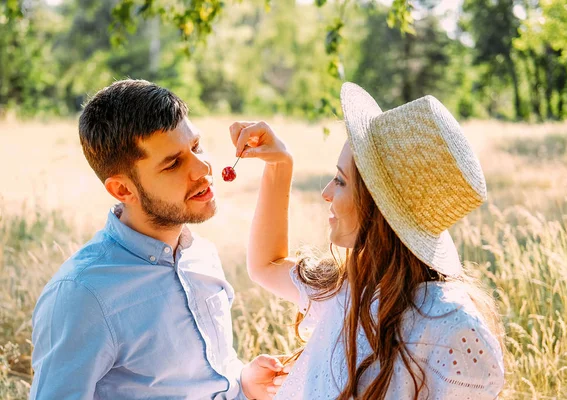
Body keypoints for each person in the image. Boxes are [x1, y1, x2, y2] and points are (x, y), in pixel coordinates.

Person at [229, 82, 505, 399]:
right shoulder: (349, 286)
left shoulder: (454, 329)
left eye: (341, 181)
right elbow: (266, 264)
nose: (326, 193)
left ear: (378, 208)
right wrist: (280, 165)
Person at [30, 79, 286, 400]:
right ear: (123, 190)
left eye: (195, 147)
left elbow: (199, 376)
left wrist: (242, 380)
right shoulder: (82, 296)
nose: (203, 167)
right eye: (173, 163)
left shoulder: (200, 255)